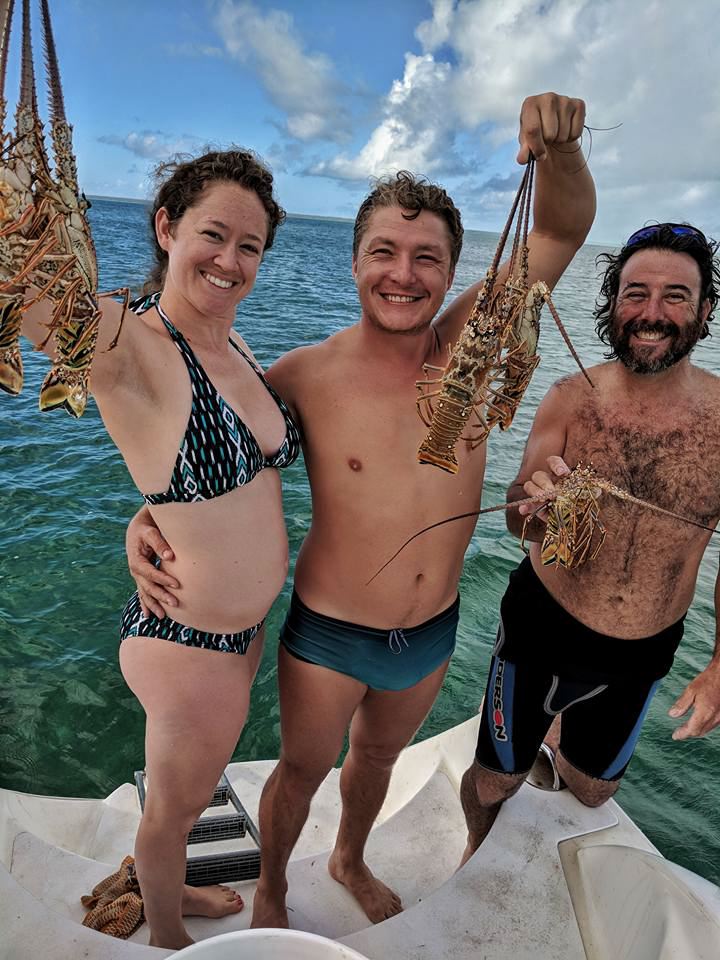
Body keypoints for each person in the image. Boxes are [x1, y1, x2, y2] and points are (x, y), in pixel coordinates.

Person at [127, 92, 596, 927]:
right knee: (301, 771)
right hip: (330, 635)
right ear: (353, 264)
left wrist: (561, 150)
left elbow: (561, 228)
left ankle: (348, 857)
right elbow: (210, 457)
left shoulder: (475, 347)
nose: (403, 274)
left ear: (453, 273)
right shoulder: (301, 375)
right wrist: (146, 522)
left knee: (377, 759)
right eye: (384, 252)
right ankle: (272, 890)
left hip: (433, 629)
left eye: (427, 258)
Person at [19, 149, 297, 949]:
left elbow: (200, 481)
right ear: (167, 227)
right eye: (214, 234)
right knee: (172, 813)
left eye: (250, 245)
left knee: (194, 793)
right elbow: (28, 296)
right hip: (187, 642)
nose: (230, 260)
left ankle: (169, 885)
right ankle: (169, 934)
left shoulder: (236, 348)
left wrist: (144, 514)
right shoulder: (127, 344)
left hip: (237, 637)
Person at [460, 222, 720, 865]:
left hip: (645, 646)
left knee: (593, 791)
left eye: (676, 296)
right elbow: (518, 518)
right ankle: (474, 845)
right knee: (494, 782)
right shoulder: (570, 397)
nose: (652, 313)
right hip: (542, 626)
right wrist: (533, 506)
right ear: (612, 305)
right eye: (635, 293)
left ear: (704, 309)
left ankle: (556, 736)